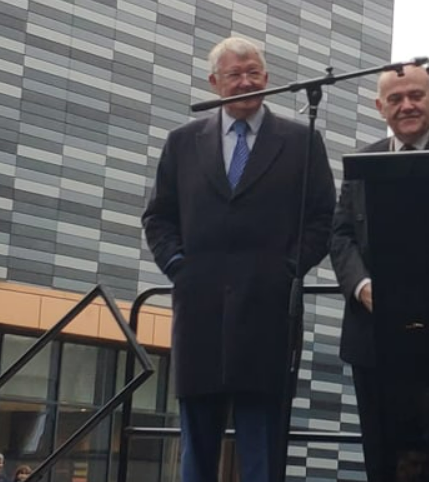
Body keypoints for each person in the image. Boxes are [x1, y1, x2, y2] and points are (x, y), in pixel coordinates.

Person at [143, 36, 336, 482]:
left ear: (267, 79)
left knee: (262, 451)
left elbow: (322, 219)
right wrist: (178, 267)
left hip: (268, 314)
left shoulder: (302, 141)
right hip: (199, 314)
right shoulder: (182, 142)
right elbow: (158, 217)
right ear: (214, 82)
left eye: (253, 73)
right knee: (197, 451)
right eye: (234, 75)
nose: (245, 82)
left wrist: (288, 268)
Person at [331, 65, 429, 481]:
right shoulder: (362, 162)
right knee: (383, 458)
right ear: (380, 108)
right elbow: (341, 235)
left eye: (416, 95)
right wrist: (362, 287)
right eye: (395, 99)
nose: (407, 105)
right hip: (375, 338)